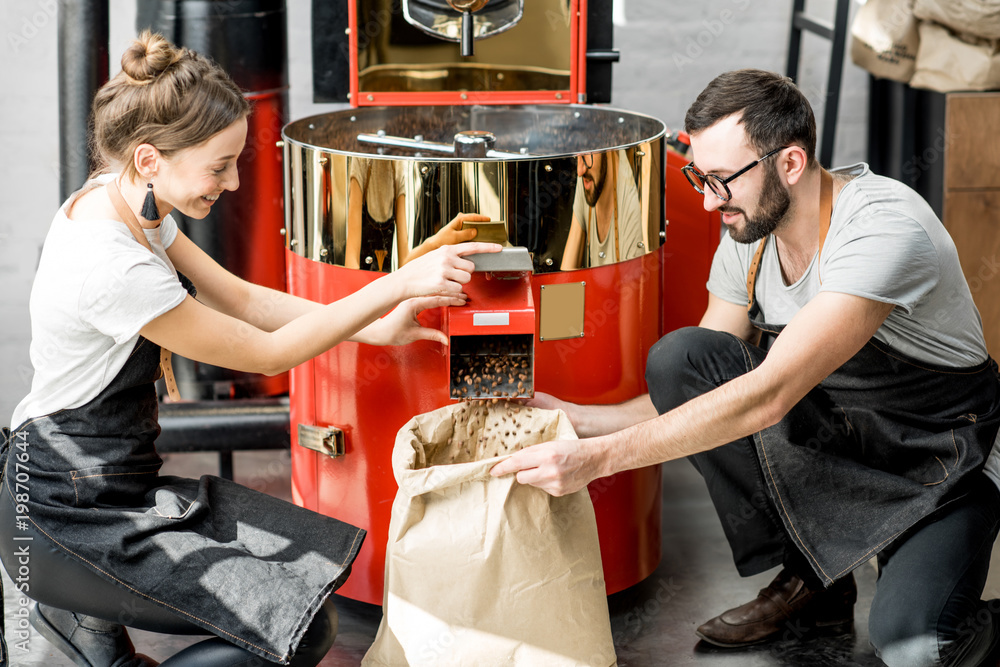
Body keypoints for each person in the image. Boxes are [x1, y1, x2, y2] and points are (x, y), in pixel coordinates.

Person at [0, 31, 499, 667]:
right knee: (297, 633)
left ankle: (86, 623)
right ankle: (76, 608)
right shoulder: (113, 266)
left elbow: (245, 301)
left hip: (108, 486)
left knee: (307, 593)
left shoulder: (126, 200)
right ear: (151, 158)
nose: (235, 183)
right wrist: (396, 284)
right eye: (219, 166)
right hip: (65, 511)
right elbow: (266, 355)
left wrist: (380, 322)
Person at [493, 69, 1000, 667]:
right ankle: (815, 582)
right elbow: (693, 385)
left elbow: (767, 397)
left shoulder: (883, 228)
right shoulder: (748, 238)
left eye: (721, 180)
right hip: (840, 447)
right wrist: (582, 421)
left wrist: (597, 463)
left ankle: (930, 580)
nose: (708, 201)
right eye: (698, 177)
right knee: (682, 357)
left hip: (937, 465)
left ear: (790, 162)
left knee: (917, 649)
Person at [346, 156, 488, 271]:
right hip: (363, 285)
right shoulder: (361, 161)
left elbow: (404, 263)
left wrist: (437, 242)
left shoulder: (398, 168)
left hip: (387, 283)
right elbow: (351, 259)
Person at [560, 149, 644, 270]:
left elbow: (631, 286)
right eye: (577, 153)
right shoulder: (587, 177)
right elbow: (566, 275)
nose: (579, 171)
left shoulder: (630, 198)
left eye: (586, 154)